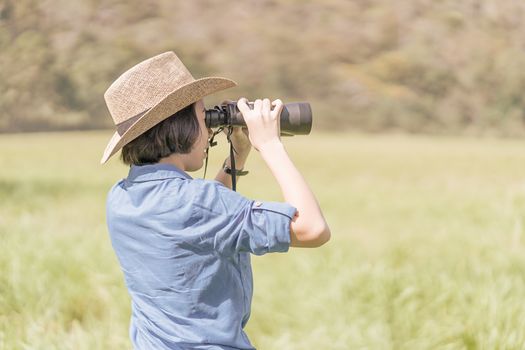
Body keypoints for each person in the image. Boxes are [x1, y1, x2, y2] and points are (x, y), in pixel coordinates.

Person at [102, 51, 331, 350]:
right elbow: (313, 229)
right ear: (180, 125)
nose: (209, 127)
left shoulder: (120, 197)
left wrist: (237, 155)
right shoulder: (197, 203)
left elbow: (196, 224)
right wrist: (270, 144)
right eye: (203, 115)